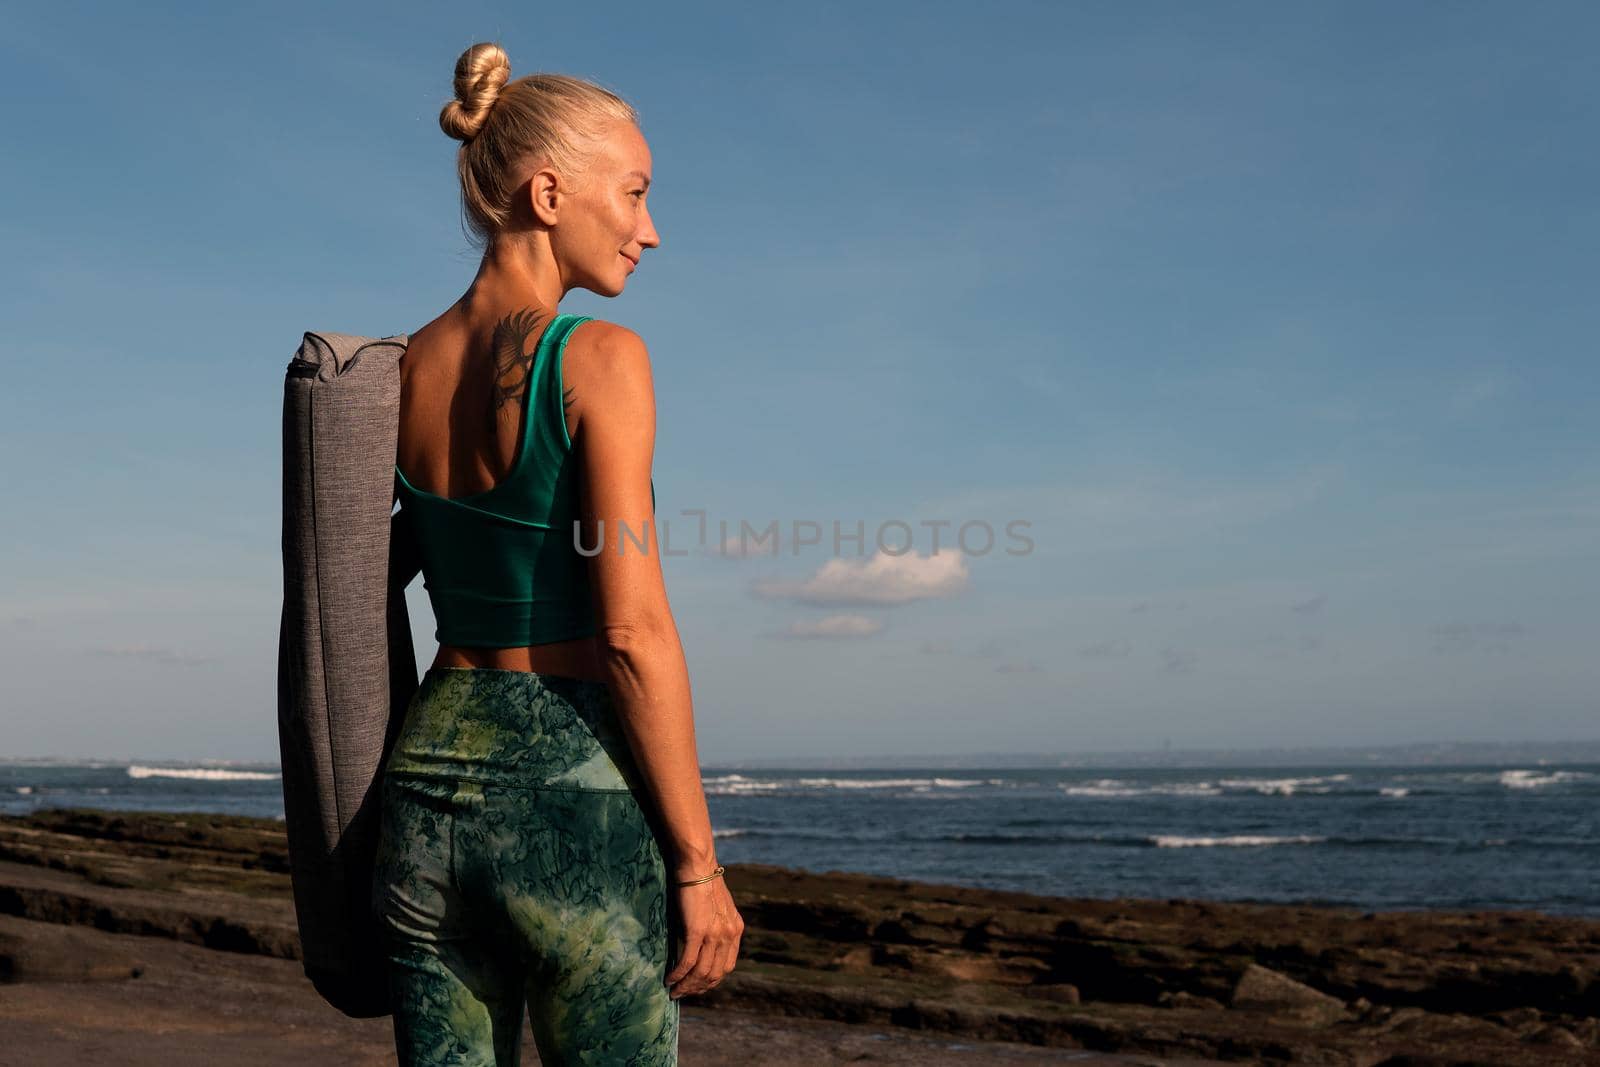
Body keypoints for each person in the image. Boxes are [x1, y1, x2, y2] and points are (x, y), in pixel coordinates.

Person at [370, 41, 743, 1066]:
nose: (650, 230)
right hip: (571, 791)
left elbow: (383, 565)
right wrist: (699, 865)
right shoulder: (600, 359)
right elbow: (630, 630)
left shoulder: (395, 370)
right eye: (634, 193)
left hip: (428, 785)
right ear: (548, 192)